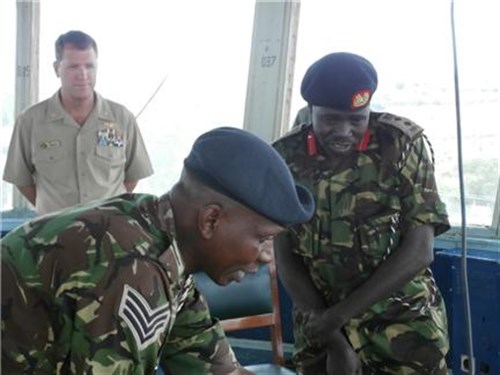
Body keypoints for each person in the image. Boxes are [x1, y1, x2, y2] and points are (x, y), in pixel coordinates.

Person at [1, 126, 315, 375]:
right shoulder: (129, 267)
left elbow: (219, 370)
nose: (266, 257)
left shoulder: (166, 245)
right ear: (211, 220)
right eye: (263, 240)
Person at [272, 52, 450, 375]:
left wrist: (338, 318)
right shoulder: (284, 158)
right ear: (310, 112)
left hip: (402, 327)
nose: (343, 131)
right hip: (319, 326)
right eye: (330, 119)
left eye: (356, 120)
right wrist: (332, 336)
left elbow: (420, 250)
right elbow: (285, 255)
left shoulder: (402, 145)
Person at [2, 30, 153, 215]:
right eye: (73, 66)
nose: (83, 75)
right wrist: (53, 214)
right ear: (57, 68)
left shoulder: (122, 118)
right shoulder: (30, 122)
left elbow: (132, 176)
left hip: (110, 236)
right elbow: (21, 179)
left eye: (89, 66)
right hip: (53, 237)